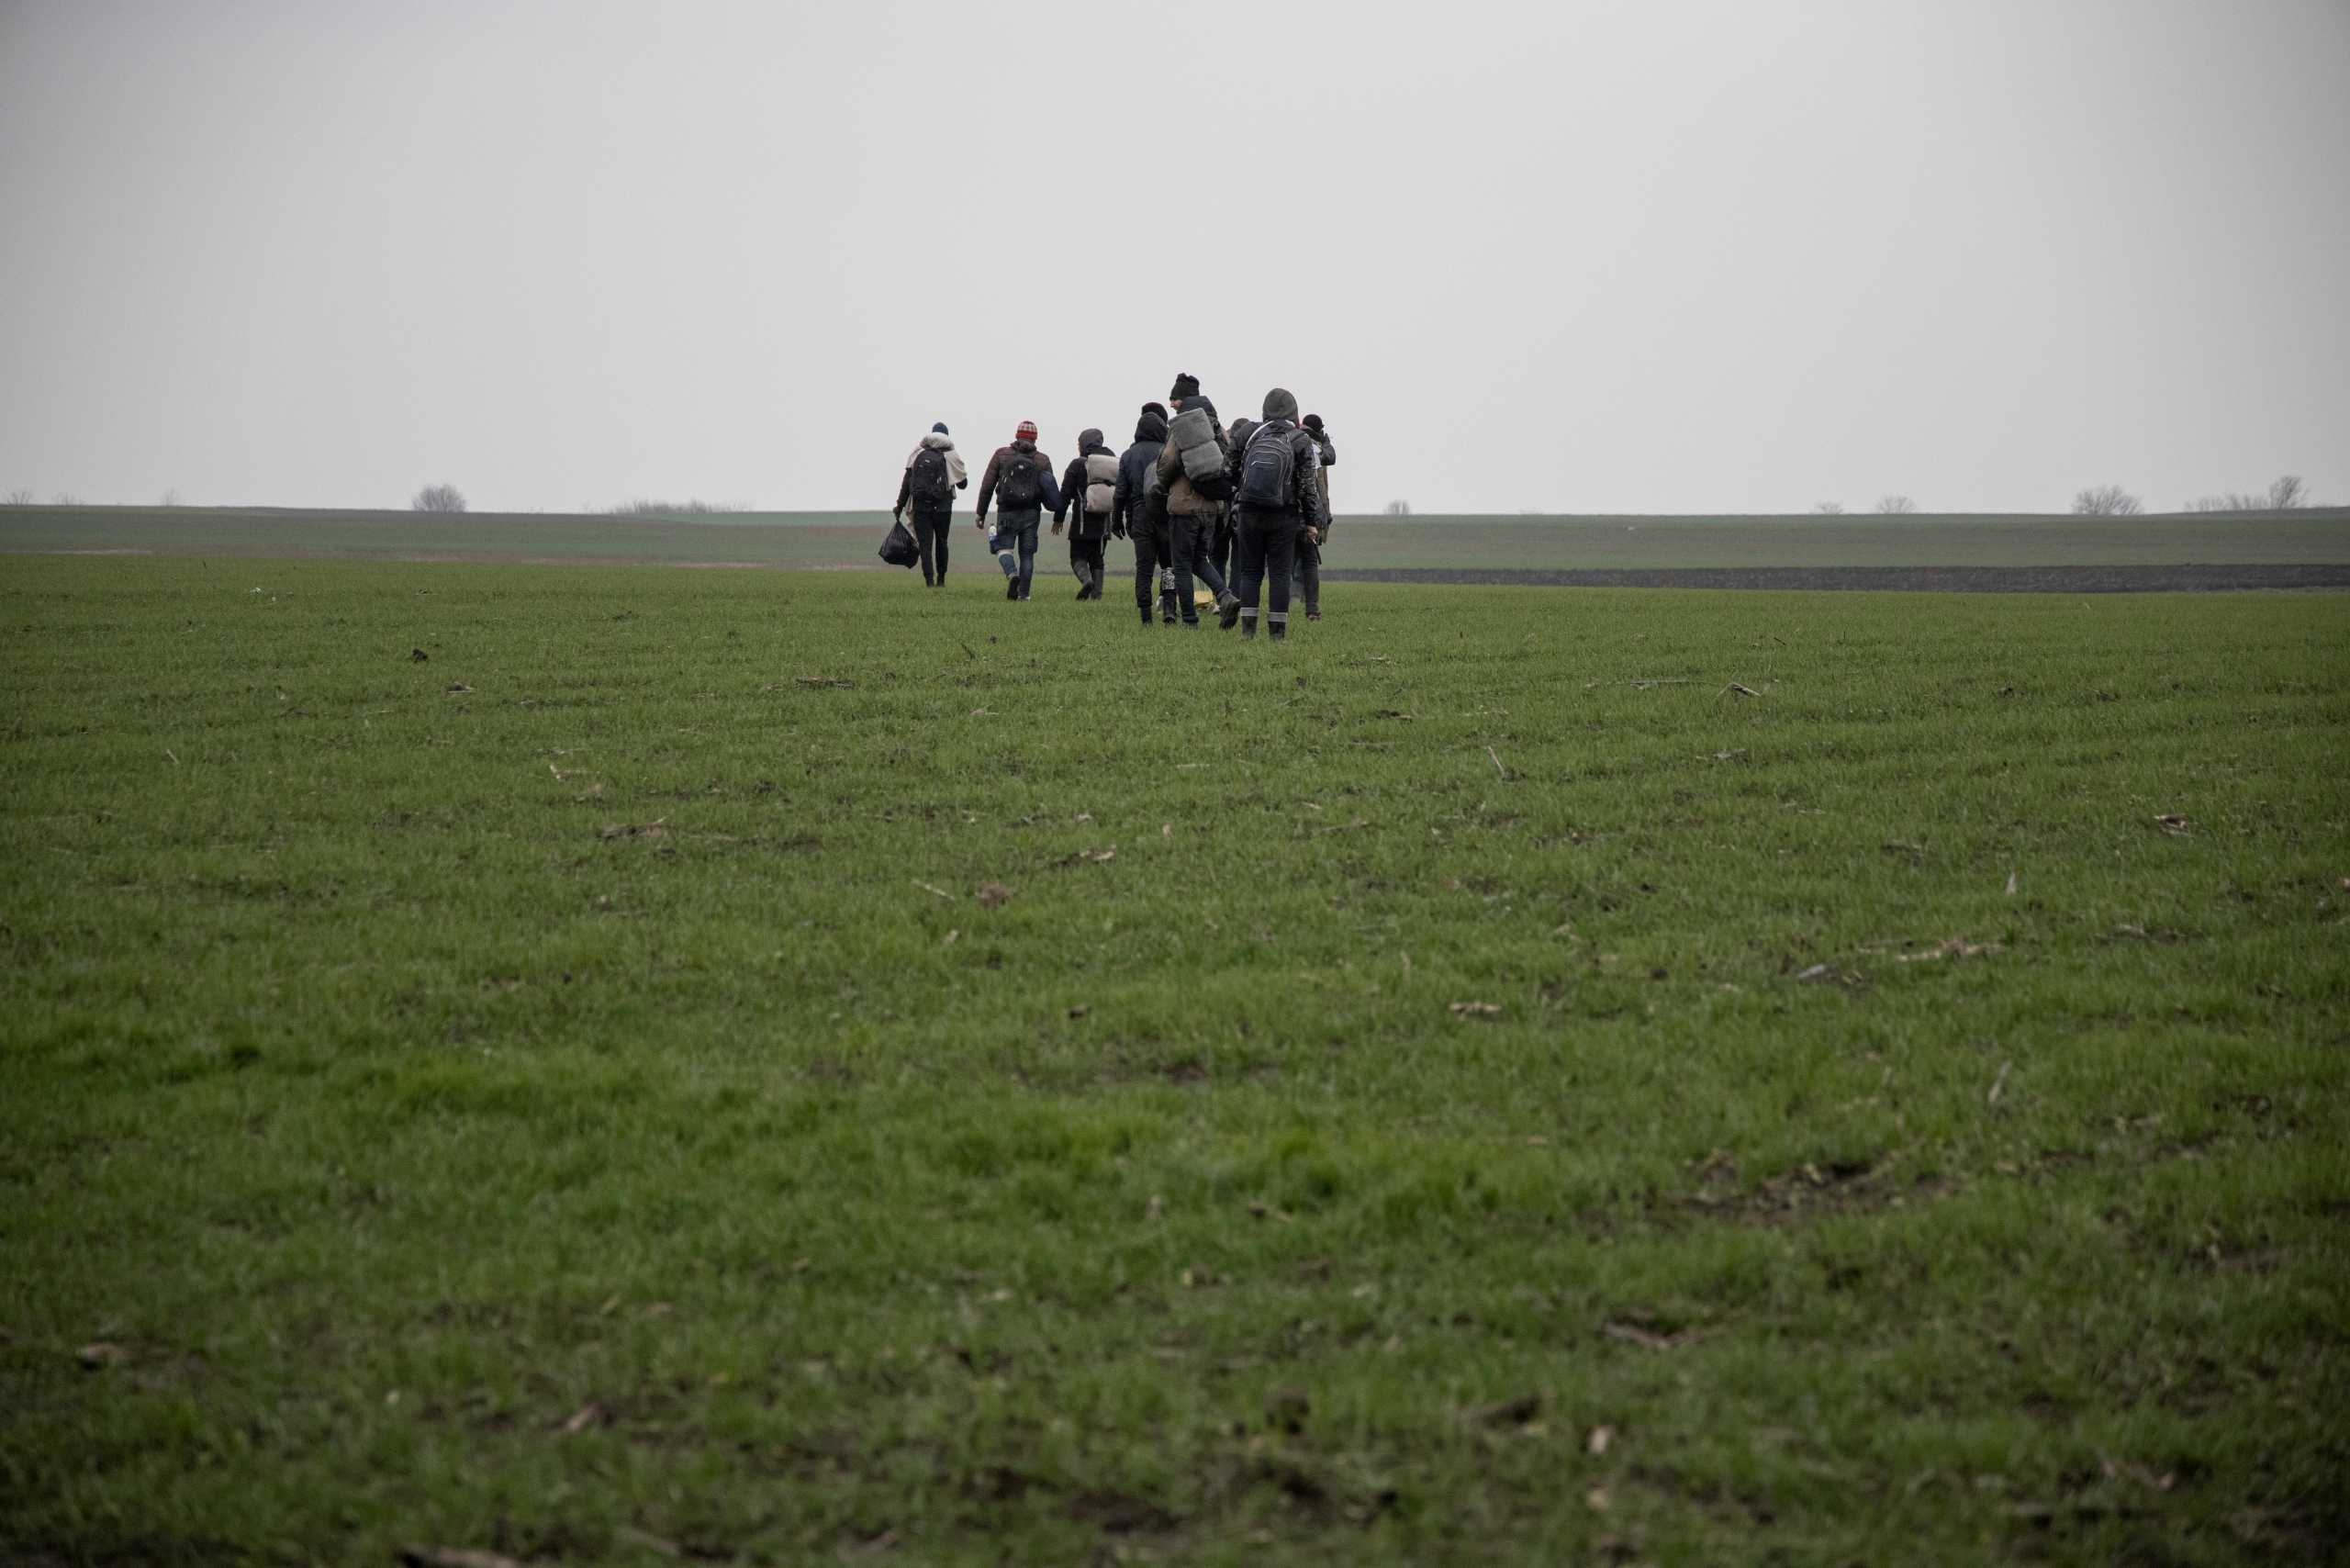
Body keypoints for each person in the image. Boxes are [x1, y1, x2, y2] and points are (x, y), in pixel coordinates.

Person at [1218, 387, 1326, 641]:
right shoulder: (1299, 439)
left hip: (1249, 511)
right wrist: (1311, 522)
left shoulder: (1248, 433)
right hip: (1284, 515)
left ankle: (1248, 632)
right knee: (1279, 573)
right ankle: (1277, 634)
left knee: (1250, 571)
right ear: (1293, 411)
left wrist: (1245, 487)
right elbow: (1308, 487)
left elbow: (1226, 469)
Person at [1150, 373, 1242, 628]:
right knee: (1200, 559)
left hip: (1184, 506)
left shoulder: (1183, 425)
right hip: (1213, 507)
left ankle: (1190, 619)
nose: (1171, 405)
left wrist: (1162, 479)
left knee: (1181, 564)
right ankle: (1225, 596)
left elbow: (1168, 461)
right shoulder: (1217, 425)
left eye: (1174, 399)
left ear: (1183, 401)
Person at [973, 420, 1061, 601]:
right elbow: (1050, 490)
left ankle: (1012, 573)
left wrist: (980, 513)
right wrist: (1057, 514)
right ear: (1035, 439)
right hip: (1031, 512)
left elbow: (987, 486)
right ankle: (1024, 595)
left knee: (1004, 548)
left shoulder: (1001, 455)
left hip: (1006, 511)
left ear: (1016, 436)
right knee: (1027, 555)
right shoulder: (1042, 460)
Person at [1113, 403, 1172, 627]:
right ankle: (1168, 608)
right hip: (1166, 515)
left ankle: (1146, 616)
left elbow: (1120, 493)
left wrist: (1116, 521)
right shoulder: (1167, 451)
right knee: (1168, 566)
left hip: (1140, 516)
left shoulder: (1128, 455)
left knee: (1144, 568)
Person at [892, 421, 968, 588]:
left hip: (921, 506)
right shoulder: (951, 455)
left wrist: (899, 505)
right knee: (942, 542)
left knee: (925, 546)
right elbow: (963, 484)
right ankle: (941, 580)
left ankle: (929, 581)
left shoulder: (917, 453)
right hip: (943, 508)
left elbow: (907, 482)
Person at [1052, 428, 1118, 600]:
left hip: (1081, 523)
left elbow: (1065, 494)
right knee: (1097, 559)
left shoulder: (1077, 464)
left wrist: (1058, 518)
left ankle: (1087, 581)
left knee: (1077, 557)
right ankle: (1096, 596)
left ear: (1084, 444)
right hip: (1104, 522)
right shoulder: (1111, 462)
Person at [1294, 412, 1336, 621]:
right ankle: (1311, 608)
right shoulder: (1314, 446)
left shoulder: (1288, 439)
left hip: (1287, 511)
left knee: (1285, 562)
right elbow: (1330, 457)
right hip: (1307, 512)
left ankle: (1282, 606)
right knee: (1309, 561)